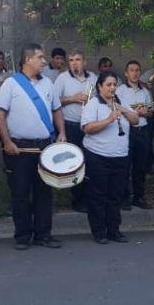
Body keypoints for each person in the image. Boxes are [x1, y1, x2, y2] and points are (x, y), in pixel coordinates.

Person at [0, 43, 67, 250]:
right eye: (40, 57)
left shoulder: (48, 84)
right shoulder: (11, 84)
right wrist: (7, 142)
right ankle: (23, 236)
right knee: (20, 193)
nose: (44, 61)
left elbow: (57, 110)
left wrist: (62, 133)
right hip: (19, 148)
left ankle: (43, 234)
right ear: (28, 60)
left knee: (44, 193)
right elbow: (0, 114)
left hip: (45, 146)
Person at [82, 71, 139, 244]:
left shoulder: (121, 102)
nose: (112, 88)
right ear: (100, 87)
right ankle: (99, 232)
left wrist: (123, 110)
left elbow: (136, 120)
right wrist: (109, 119)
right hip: (98, 156)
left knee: (116, 196)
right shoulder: (93, 104)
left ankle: (114, 230)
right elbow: (87, 128)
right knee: (98, 196)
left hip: (120, 156)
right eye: (108, 85)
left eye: (114, 85)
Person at [53, 49, 96, 212]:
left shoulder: (93, 78)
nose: (74, 63)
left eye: (77, 60)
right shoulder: (62, 78)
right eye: (71, 60)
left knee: (90, 162)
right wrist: (73, 98)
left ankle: (90, 197)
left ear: (84, 62)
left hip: (90, 126)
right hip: (71, 126)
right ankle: (77, 200)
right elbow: (54, 101)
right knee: (75, 163)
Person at [116, 60, 154, 209]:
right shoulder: (120, 90)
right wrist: (130, 113)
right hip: (127, 131)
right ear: (126, 73)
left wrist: (146, 112)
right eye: (132, 70)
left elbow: (151, 112)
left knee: (141, 166)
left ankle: (139, 197)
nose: (135, 73)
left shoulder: (145, 91)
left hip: (142, 131)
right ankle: (123, 198)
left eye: (137, 70)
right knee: (125, 165)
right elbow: (115, 109)